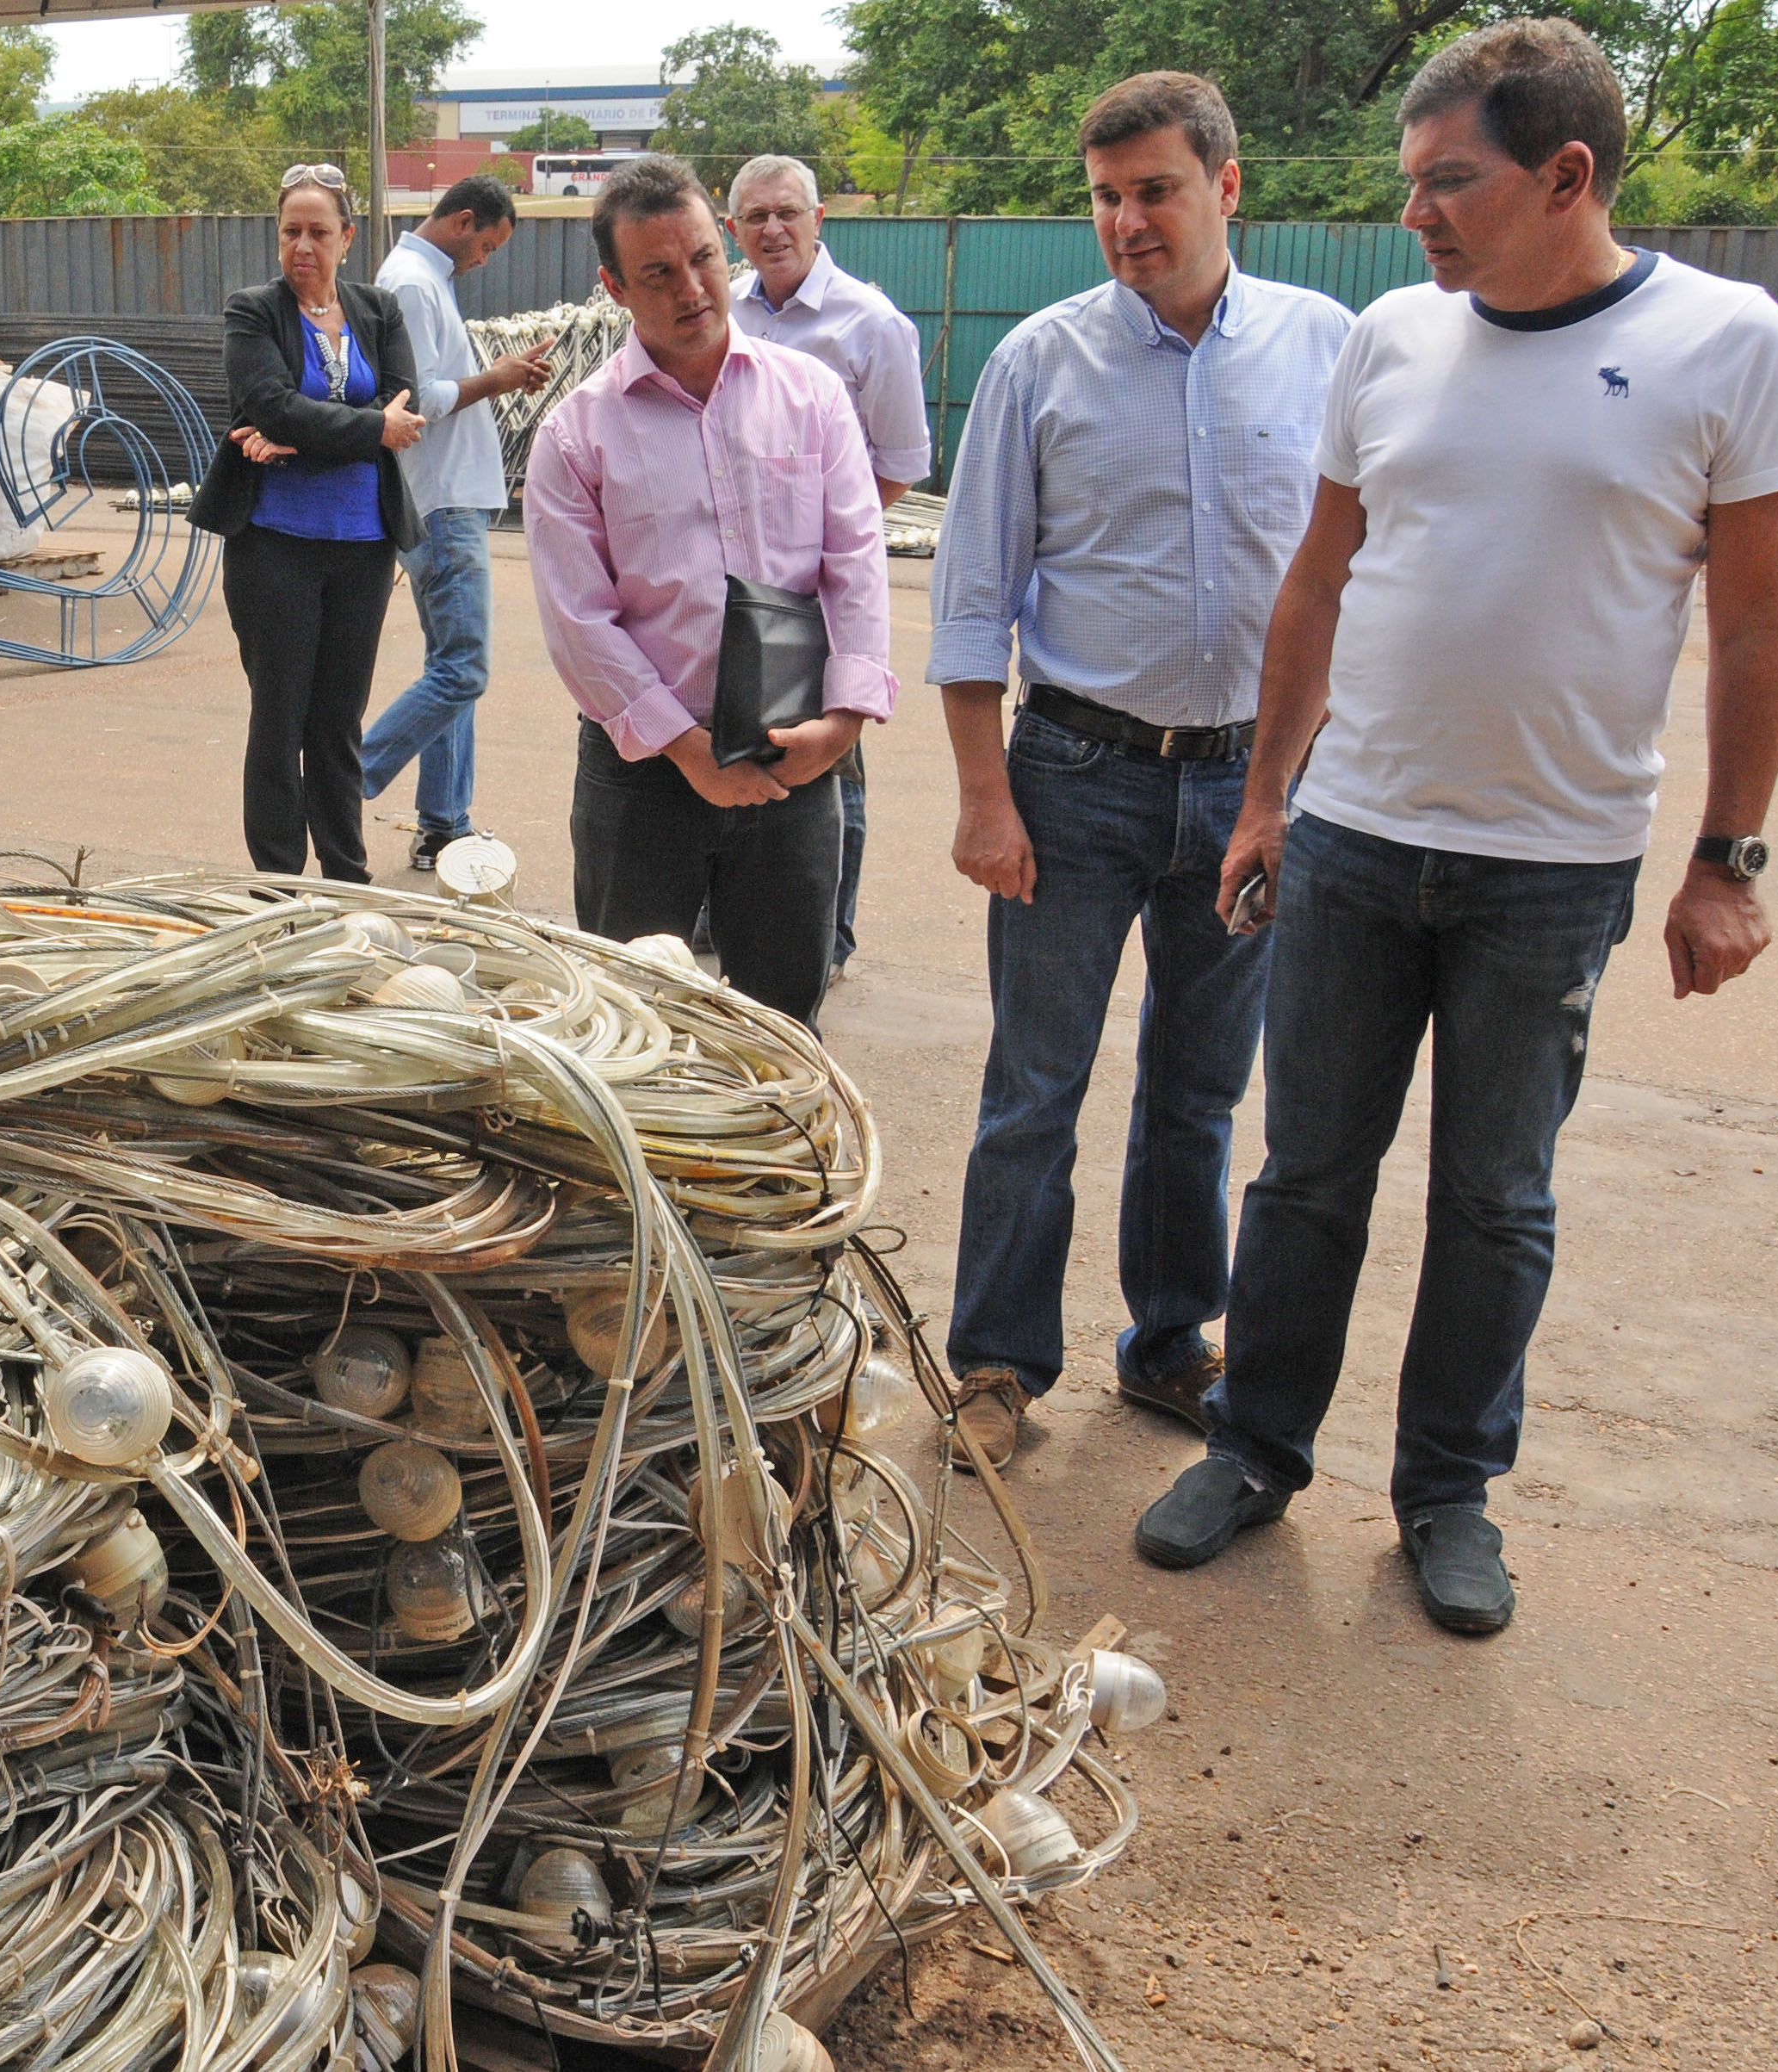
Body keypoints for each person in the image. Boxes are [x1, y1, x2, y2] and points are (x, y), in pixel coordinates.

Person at [1138, 20, 1778, 1638]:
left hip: (1555, 865)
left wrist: (1725, 859)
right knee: (1306, 1176)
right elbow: (1318, 582)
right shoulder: (1392, 336)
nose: (1414, 214)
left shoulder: (1727, 343)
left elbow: (1757, 626)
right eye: (1410, 181)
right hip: (1355, 841)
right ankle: (1254, 1448)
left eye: (1449, 181)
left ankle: (1447, 1493)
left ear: (1566, 175)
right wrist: (1265, 798)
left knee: (1496, 1199)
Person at [922, 77, 1354, 1476]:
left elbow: (1355, 576)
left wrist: (1298, 783)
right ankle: (996, 1361)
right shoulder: (1038, 363)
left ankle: (1169, 1339)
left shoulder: (1324, 348)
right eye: (1104, 197)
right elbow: (973, 596)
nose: (1125, 221)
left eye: (1153, 190)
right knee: (1033, 1084)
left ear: (1226, 186)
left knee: (1197, 1089)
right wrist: (983, 798)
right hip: (1074, 776)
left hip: (1248, 788)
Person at [530, 157, 895, 1029]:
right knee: (630, 1025)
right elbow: (579, 621)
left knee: (781, 1025)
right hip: (643, 774)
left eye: (701, 258)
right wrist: (686, 748)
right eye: (657, 272)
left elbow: (854, 561)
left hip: (792, 756)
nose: (691, 289)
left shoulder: (809, 398)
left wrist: (843, 721)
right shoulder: (576, 436)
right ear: (614, 288)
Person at [726, 152, 936, 984]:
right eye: (755, 216)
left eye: (787, 212)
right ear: (733, 229)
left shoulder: (869, 324)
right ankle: (727, 912)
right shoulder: (724, 311)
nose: (772, 229)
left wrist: (826, 539)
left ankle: (827, 937)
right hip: (734, 584)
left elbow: (901, 462)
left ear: (818, 221)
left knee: (830, 758)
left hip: (821, 583)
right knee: (742, 731)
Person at [190, 165, 425, 884]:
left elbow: (403, 407)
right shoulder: (253, 312)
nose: (302, 245)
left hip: (363, 547)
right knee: (279, 719)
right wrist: (362, 429)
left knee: (338, 723)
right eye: (290, 231)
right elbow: (270, 405)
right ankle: (280, 884)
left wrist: (302, 434)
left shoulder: (378, 310)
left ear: (346, 239)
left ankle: (346, 878)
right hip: (274, 547)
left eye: (318, 232)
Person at [357, 175, 554, 875]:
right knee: (463, 669)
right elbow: (414, 401)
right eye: (488, 246)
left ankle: (444, 825)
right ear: (464, 221)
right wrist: (496, 380)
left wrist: (500, 375)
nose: (483, 260)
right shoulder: (411, 284)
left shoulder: (423, 281)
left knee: (450, 667)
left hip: (449, 498)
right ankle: (338, 782)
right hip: (439, 501)